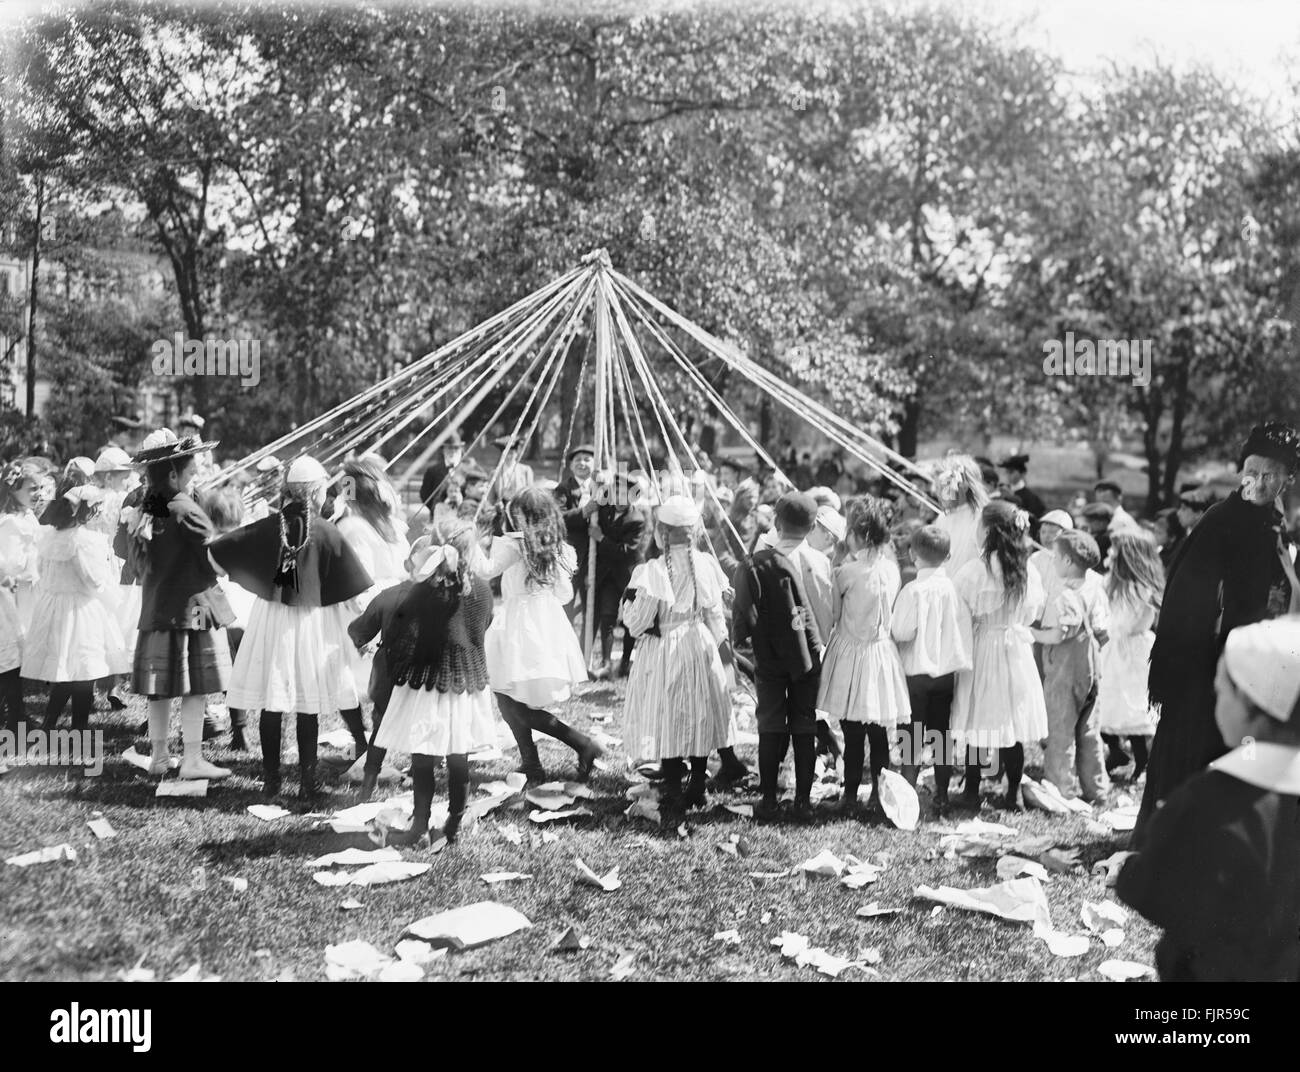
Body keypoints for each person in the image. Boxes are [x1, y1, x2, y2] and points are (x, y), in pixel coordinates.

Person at [1136, 421, 1300, 840]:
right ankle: (1176, 837)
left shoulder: (1274, 523)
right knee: (1198, 744)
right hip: (1208, 665)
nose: (1259, 482)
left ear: (1287, 479)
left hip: (1258, 664)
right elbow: (1187, 597)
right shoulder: (1221, 521)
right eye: (1252, 472)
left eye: (1271, 475)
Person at [1117, 615, 1300, 981]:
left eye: (1220, 691)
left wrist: (1129, 868)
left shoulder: (1212, 800)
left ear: (1249, 702)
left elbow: (1151, 892)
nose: (1215, 703)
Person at [209, 456, 373, 799]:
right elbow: (354, 587)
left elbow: (218, 552)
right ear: (315, 492)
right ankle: (307, 783)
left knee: (274, 700)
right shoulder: (327, 530)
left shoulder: (271, 525)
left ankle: (272, 781)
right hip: (313, 623)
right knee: (306, 704)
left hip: (272, 619)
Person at [124, 428, 234, 780]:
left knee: (159, 691)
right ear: (173, 473)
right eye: (191, 471)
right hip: (192, 609)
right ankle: (192, 759)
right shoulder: (184, 507)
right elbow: (213, 555)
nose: (196, 476)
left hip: (157, 607)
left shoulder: (147, 505)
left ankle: (159, 756)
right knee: (195, 689)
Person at [376, 521, 495, 846]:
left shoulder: (424, 587)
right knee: (459, 758)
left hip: (428, 681)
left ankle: (420, 826)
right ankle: (454, 825)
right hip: (464, 682)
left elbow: (402, 627)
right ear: (473, 551)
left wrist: (399, 662)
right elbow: (485, 623)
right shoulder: (482, 589)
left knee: (423, 757)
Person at [621, 495, 732, 815]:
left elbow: (637, 622)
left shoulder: (652, 571)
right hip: (699, 644)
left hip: (665, 649)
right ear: (695, 532)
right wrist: (726, 661)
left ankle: (672, 784)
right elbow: (716, 616)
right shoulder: (708, 566)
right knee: (696, 709)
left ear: (661, 533)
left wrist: (627, 609)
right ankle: (697, 782)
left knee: (667, 713)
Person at [483, 486, 601, 782]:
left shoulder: (514, 545)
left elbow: (485, 570)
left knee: (508, 697)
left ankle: (581, 744)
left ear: (521, 516)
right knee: (508, 697)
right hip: (546, 621)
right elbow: (564, 594)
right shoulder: (558, 547)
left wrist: (477, 540)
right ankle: (532, 762)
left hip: (520, 623)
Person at [732, 492, 828, 822]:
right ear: (814, 525)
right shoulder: (819, 562)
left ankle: (769, 798)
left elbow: (745, 612)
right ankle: (803, 800)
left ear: (776, 522)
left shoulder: (758, 561)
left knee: (770, 721)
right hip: (808, 657)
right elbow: (827, 615)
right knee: (804, 722)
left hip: (769, 656)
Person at [951, 500, 1048, 811]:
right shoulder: (1027, 569)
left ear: (989, 530)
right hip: (1016, 647)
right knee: (1012, 723)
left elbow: (959, 611)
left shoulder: (975, 570)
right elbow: (1033, 612)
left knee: (980, 719)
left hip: (985, 646)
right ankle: (1013, 793)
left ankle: (972, 791)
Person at [816, 496, 910, 816]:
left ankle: (851, 793)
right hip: (881, 653)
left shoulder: (847, 572)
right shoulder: (892, 570)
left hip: (851, 652)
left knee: (852, 730)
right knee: (878, 731)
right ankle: (878, 795)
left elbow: (834, 613)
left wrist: (836, 565)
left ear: (856, 535)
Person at [19, 482, 125, 748]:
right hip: (80, 609)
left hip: (54, 607)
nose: (98, 512)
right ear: (86, 512)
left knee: (65, 669)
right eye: (96, 508)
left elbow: (41, 572)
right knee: (83, 671)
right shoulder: (83, 540)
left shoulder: (50, 537)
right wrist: (113, 600)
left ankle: (48, 726)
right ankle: (78, 729)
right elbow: (92, 580)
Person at [335, 456, 410, 763]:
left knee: (342, 678)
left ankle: (364, 744)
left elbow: (358, 579)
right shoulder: (393, 525)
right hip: (398, 604)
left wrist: (365, 626)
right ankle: (372, 745)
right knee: (384, 679)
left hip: (366, 609)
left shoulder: (353, 527)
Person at [892, 525, 971, 810]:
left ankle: (908, 792)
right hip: (946, 673)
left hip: (915, 673)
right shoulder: (954, 590)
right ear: (949, 556)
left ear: (912, 555)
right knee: (940, 734)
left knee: (911, 734)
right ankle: (942, 792)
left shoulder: (913, 590)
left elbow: (901, 631)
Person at [1029, 529, 1109, 803]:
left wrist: (1033, 634)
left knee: (1060, 731)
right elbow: (1102, 630)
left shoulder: (1065, 597)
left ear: (1067, 562)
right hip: (1092, 668)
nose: (1051, 562)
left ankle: (1060, 787)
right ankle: (1096, 788)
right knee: (1089, 732)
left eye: (1056, 557)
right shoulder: (1096, 589)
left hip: (1064, 669)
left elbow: (1060, 634)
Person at [1095, 530, 1164, 779]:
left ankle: (1143, 762)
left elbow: (1122, 623)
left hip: (1134, 652)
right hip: (1113, 650)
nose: (1110, 554)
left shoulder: (1141, 590)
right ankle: (1116, 750)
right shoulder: (1111, 583)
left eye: (1115, 551)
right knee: (1106, 704)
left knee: (1133, 709)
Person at [932, 454, 990, 578]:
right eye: (937, 487)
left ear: (963, 486)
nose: (936, 492)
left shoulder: (981, 518)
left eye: (943, 487)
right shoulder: (942, 518)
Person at [418, 428, 466, 508]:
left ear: (461, 450)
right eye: (449, 448)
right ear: (443, 450)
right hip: (438, 515)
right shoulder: (432, 471)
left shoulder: (468, 470)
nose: (453, 452)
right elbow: (424, 495)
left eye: (456, 448)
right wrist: (435, 508)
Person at [489, 432, 535, 506]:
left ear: (516, 453)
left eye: (511, 453)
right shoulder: (495, 473)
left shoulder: (526, 471)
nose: (509, 456)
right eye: (507, 453)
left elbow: (530, 496)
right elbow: (490, 500)